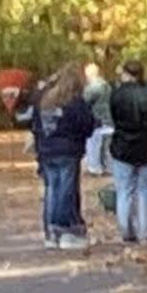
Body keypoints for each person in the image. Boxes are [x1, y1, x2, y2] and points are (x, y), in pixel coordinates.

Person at [26, 63, 95, 250]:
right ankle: (64, 228)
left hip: (47, 149)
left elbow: (34, 124)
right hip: (68, 150)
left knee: (52, 190)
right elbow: (87, 124)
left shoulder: (44, 99)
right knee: (66, 190)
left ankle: (50, 230)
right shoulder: (74, 101)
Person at [107, 57, 147, 245]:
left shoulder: (117, 94)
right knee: (146, 191)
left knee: (124, 190)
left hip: (123, 147)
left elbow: (114, 117)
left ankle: (126, 231)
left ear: (125, 74)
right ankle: (145, 233)